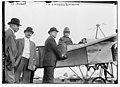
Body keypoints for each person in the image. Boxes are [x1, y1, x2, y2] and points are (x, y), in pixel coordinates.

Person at [5, 18, 21, 83]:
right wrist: (8, 59)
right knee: (10, 80)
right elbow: (5, 47)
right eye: (17, 26)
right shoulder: (9, 33)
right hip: (8, 60)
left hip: (10, 60)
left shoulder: (11, 33)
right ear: (12, 25)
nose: (18, 28)